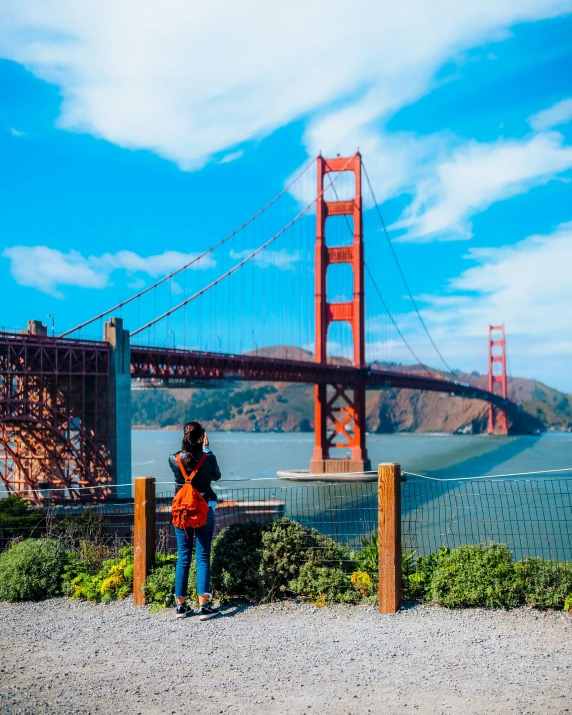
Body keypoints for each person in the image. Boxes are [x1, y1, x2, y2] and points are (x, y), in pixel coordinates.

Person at [169, 420, 222, 620]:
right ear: (201, 438)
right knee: (202, 557)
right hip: (203, 510)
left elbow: (182, 472)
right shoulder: (208, 458)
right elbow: (216, 476)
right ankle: (204, 607)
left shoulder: (173, 459)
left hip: (181, 512)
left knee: (183, 557)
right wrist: (207, 449)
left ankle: (181, 607)